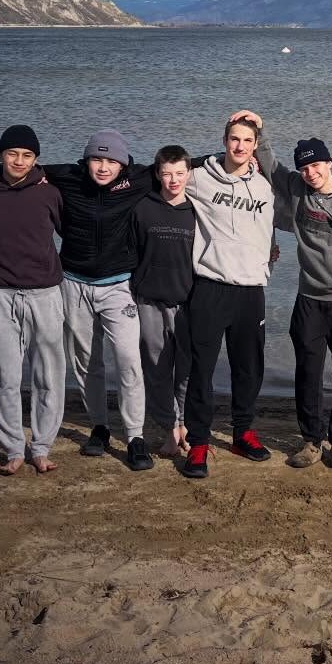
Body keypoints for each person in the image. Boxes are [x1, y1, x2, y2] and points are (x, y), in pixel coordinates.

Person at [44, 130, 156, 472]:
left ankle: (135, 436)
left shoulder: (139, 179)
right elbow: (21, 169)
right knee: (86, 361)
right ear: (86, 160)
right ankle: (100, 427)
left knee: (128, 360)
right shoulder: (67, 177)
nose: (103, 167)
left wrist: (232, 159)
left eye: (111, 161)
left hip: (119, 286)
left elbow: (179, 164)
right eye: (97, 159)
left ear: (123, 164)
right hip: (73, 283)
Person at [258, 135, 332, 471]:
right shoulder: (297, 190)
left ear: (329, 163)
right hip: (309, 298)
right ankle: (311, 440)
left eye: (316, 165)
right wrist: (258, 130)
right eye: (304, 167)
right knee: (308, 371)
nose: (310, 172)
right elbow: (270, 167)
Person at [180, 112, 277, 478]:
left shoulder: (265, 186)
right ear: (224, 141)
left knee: (248, 368)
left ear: (255, 147)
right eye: (234, 139)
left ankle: (242, 432)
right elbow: (164, 173)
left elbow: (287, 206)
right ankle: (200, 442)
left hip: (251, 290)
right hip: (210, 286)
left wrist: (268, 249)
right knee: (200, 369)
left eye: (247, 141)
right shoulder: (199, 177)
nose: (240, 146)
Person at [0, 124, 67, 475]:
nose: (19, 161)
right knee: (5, 377)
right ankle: (13, 448)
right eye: (13, 154)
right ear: (0, 155)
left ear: (36, 160)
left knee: (49, 376)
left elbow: (69, 229)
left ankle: (41, 447)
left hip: (45, 294)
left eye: (27, 156)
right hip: (0, 295)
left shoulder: (48, 193)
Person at [131, 145, 197, 459]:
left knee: (186, 369)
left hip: (187, 301)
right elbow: (130, 252)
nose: (173, 180)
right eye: (167, 173)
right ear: (157, 174)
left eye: (180, 173)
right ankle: (168, 428)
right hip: (148, 300)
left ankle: (183, 422)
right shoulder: (142, 206)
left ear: (189, 174)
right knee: (157, 369)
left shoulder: (197, 210)